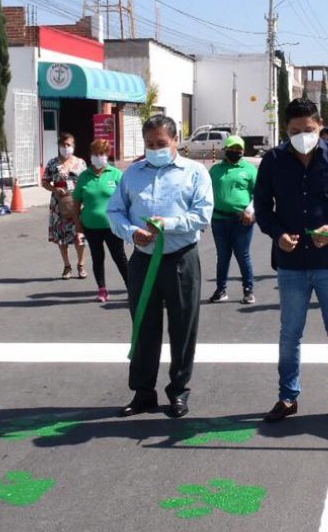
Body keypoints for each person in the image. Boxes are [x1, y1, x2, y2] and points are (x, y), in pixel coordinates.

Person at [254, 98, 328, 425]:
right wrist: (278, 234)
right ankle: (288, 396)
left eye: (308, 130)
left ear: (320, 126)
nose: (302, 135)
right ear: (285, 130)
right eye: (294, 131)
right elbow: (263, 209)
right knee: (290, 333)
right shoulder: (273, 161)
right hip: (291, 264)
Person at [108, 115, 213, 419]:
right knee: (143, 327)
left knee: (183, 328)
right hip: (143, 259)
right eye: (149, 144)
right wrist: (131, 233)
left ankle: (178, 392)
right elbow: (114, 211)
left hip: (181, 258)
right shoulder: (133, 174)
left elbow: (202, 215)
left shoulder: (194, 173)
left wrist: (168, 224)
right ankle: (143, 393)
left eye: (161, 144)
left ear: (175, 140)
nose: (155, 149)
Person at [74, 138, 129, 304]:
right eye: (95, 154)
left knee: (119, 257)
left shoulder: (116, 174)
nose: (98, 157)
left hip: (112, 225)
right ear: (90, 155)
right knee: (97, 258)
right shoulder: (84, 176)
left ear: (107, 155)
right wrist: (78, 227)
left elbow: (127, 199)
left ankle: (131, 287)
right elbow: (76, 203)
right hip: (91, 226)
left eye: (102, 154)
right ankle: (102, 289)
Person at [208, 135, 258, 304]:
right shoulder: (215, 170)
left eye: (239, 149)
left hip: (242, 220)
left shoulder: (249, 169)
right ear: (225, 149)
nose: (235, 151)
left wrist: (250, 211)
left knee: (243, 255)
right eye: (232, 148)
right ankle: (221, 290)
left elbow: (259, 194)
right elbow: (205, 193)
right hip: (219, 219)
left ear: (243, 151)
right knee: (222, 256)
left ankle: (248, 290)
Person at [43, 133, 88, 280]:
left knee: (79, 236)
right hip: (59, 205)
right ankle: (67, 266)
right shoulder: (52, 163)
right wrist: (55, 189)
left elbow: (86, 183)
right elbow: (44, 182)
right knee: (62, 237)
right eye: (63, 145)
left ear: (73, 146)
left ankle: (81, 264)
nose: (66, 147)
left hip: (77, 204)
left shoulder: (81, 163)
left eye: (69, 145)